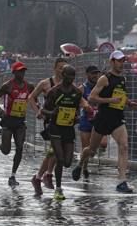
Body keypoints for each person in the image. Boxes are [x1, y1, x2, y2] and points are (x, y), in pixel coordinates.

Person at [72, 51, 137, 193]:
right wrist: (109, 101)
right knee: (92, 150)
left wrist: (130, 103)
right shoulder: (104, 78)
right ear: (112, 62)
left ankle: (122, 181)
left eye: (123, 61)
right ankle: (80, 163)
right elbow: (91, 98)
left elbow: (121, 97)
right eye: (119, 61)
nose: (122, 63)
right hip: (103, 118)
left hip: (117, 119)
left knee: (124, 146)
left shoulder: (123, 79)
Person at [42, 65, 90, 200]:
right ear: (63, 75)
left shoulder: (76, 92)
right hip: (55, 128)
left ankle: (51, 172)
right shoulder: (54, 92)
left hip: (68, 128)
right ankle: (58, 189)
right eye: (69, 76)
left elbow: (76, 110)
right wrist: (52, 113)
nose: (71, 79)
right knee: (60, 158)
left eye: (73, 76)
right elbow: (43, 111)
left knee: (68, 162)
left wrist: (77, 118)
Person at [27, 57, 67, 196]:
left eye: (65, 68)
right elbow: (31, 97)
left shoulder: (69, 84)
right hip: (49, 119)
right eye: (60, 68)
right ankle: (46, 175)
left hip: (64, 120)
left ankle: (39, 177)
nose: (62, 71)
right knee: (55, 148)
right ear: (55, 68)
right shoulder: (45, 83)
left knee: (57, 150)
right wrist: (37, 111)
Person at [0, 61, 34, 187]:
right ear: (14, 72)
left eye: (23, 71)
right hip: (8, 120)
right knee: (6, 151)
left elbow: (34, 99)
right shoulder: (8, 86)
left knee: (20, 148)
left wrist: (39, 109)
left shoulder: (29, 86)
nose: (22, 73)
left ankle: (13, 175)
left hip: (20, 121)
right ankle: (0, 135)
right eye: (19, 71)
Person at [77, 65, 107, 179]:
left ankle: (94, 152)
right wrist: (84, 105)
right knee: (86, 146)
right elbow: (78, 100)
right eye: (93, 73)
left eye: (97, 73)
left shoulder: (101, 87)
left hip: (99, 120)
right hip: (86, 121)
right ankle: (84, 167)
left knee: (103, 144)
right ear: (87, 74)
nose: (95, 76)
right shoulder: (82, 88)